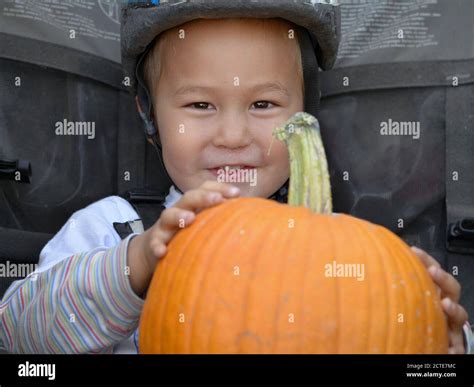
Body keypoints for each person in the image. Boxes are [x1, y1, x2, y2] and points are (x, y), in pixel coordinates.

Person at [0, 0, 469, 354]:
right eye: (200, 106)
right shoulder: (114, 228)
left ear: (303, 113)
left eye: (263, 105)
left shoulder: (355, 257)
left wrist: (442, 340)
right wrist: (135, 268)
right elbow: (16, 335)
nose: (232, 134)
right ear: (149, 116)